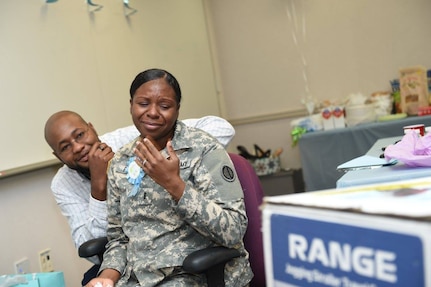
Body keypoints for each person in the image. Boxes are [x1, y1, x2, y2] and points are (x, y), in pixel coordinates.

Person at [85, 68, 253, 287]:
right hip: (137, 279)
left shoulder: (205, 150)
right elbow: (119, 238)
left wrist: (174, 184)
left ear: (177, 109)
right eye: (143, 104)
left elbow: (234, 229)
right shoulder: (121, 161)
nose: (152, 113)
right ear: (131, 105)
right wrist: (107, 277)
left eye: (164, 106)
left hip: (195, 276)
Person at [44, 111, 235, 284]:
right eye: (65, 147)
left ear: (92, 128)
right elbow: (92, 251)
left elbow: (221, 128)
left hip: (172, 245)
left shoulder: (131, 143)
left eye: (80, 135)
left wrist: (164, 168)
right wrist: (98, 188)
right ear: (57, 155)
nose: (78, 147)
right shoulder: (63, 183)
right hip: (123, 257)